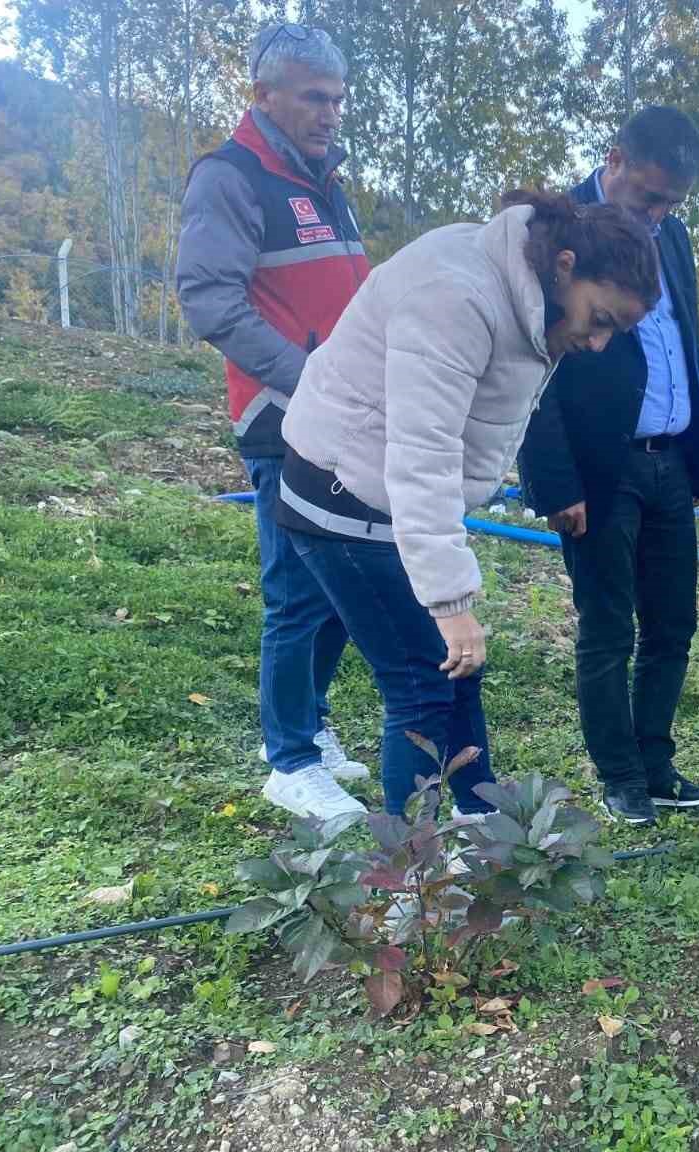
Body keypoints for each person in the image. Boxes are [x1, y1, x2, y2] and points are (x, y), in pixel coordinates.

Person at [276, 192, 660, 817]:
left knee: (457, 667)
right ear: (565, 265)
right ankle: (415, 882)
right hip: (343, 495)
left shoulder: (532, 293)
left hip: (387, 491)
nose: (599, 342)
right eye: (602, 319)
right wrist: (450, 603)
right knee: (421, 679)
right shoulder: (458, 295)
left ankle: (478, 819)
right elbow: (421, 454)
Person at [178, 23, 372, 820]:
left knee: (340, 588)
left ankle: (307, 727)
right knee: (297, 590)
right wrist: (313, 377)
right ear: (264, 95)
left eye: (337, 100)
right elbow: (208, 298)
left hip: (346, 416)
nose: (330, 114)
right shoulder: (232, 178)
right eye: (313, 98)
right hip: (283, 417)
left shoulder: (325, 179)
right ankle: (288, 760)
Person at [518, 107, 699, 829]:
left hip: (671, 459)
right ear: (613, 159)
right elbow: (529, 364)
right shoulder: (557, 233)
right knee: (608, 625)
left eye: (672, 203)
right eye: (649, 197)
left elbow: (681, 341)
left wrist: (698, 435)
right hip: (598, 467)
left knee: (672, 624)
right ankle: (619, 778)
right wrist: (553, 481)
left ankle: (657, 767)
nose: (659, 214)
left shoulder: (674, 237)